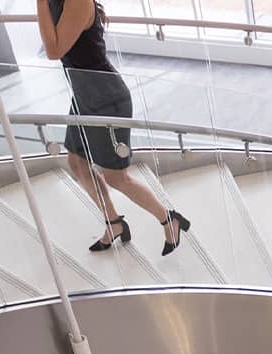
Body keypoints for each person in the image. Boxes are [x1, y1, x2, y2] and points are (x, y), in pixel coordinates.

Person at [37, 0, 192, 255]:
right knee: (76, 161)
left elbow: (53, 50)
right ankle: (114, 223)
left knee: (116, 177)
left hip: (106, 100)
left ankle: (168, 219)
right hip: (84, 97)